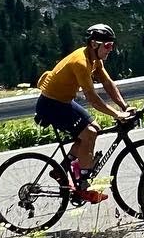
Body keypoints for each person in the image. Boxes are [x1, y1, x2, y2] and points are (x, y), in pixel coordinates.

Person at [36, 23, 134, 201]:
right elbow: (92, 98)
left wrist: (124, 107)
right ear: (94, 44)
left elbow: (107, 83)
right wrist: (117, 115)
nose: (110, 49)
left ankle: (62, 169)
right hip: (51, 105)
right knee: (89, 133)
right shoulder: (80, 62)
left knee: (94, 128)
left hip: (63, 101)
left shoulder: (95, 60)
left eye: (112, 45)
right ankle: (83, 188)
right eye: (107, 46)